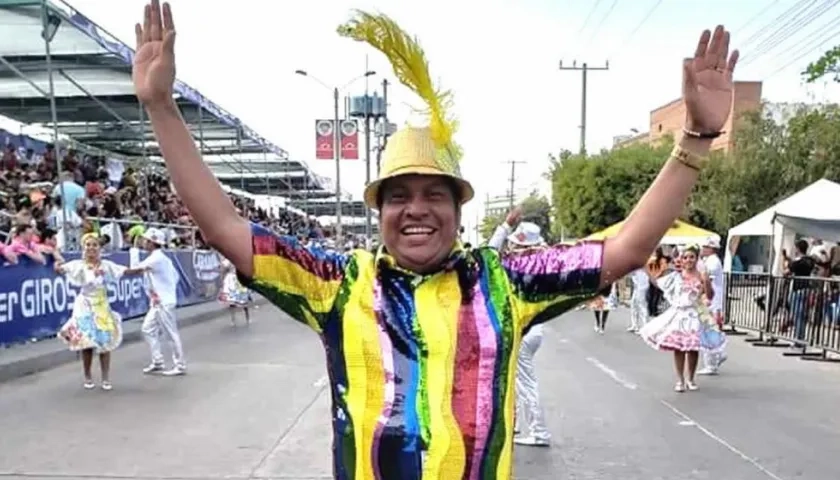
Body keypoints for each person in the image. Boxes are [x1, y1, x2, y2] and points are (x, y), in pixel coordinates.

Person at [133, 2, 738, 476]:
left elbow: (626, 249)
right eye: (398, 195)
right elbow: (226, 229)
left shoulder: (506, 282)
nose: (415, 210)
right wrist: (161, 106)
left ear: (457, 209)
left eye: (433, 195)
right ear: (379, 210)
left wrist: (697, 139)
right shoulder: (337, 286)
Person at [487, 210, 551, 447]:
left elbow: (489, 251)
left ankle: (539, 431)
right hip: (532, 330)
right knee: (513, 379)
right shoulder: (542, 265)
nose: (510, 248)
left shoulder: (519, 267)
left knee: (525, 383)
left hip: (524, 331)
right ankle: (513, 423)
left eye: (514, 244)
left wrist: (504, 226)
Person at [638, 245, 726, 392]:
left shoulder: (701, 275)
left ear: (696, 258)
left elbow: (710, 296)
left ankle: (690, 379)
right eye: (685, 257)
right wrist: (645, 267)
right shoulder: (676, 276)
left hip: (695, 314)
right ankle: (680, 379)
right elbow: (660, 283)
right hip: (679, 314)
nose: (688, 260)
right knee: (679, 347)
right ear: (682, 260)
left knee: (692, 348)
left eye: (692, 257)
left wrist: (706, 281)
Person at [56, 233, 133, 390]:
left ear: (99, 248)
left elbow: (123, 271)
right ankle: (88, 376)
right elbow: (61, 269)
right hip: (84, 305)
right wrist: (56, 262)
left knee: (105, 341)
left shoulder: (106, 265)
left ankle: (105, 377)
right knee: (87, 342)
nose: (91, 248)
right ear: (83, 248)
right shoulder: (78, 265)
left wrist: (143, 269)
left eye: (94, 245)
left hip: (101, 305)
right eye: (88, 245)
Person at [136, 227, 186, 376]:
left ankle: (180, 365)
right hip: (159, 302)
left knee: (170, 333)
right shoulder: (161, 258)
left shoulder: (156, 258)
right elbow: (175, 277)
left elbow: (135, 269)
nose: (143, 242)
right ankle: (158, 361)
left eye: (146, 240)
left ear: (152, 242)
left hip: (164, 302)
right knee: (147, 328)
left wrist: (164, 293)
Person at [698, 237, 727, 374]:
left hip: (713, 301)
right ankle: (716, 356)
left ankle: (712, 362)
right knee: (708, 330)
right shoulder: (708, 261)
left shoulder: (713, 262)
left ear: (711, 248)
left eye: (705, 247)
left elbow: (706, 280)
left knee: (709, 330)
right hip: (710, 301)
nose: (703, 249)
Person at [218, 255, 252, 325]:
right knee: (239, 300)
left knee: (236, 300)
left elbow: (222, 270)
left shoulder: (228, 261)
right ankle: (245, 319)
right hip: (235, 280)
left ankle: (234, 320)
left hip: (233, 280)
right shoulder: (237, 259)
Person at [627, 265, 650, 333]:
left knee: (642, 306)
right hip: (637, 286)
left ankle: (645, 327)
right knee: (633, 305)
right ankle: (635, 325)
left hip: (642, 286)